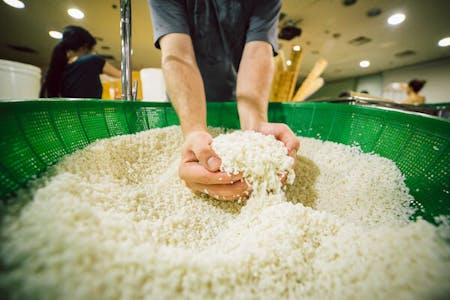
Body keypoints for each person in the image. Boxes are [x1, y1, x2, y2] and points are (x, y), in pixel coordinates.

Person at [148, 0, 300, 201]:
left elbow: (256, 54)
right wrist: (194, 130)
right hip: (185, 104)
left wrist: (255, 125)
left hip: (237, 102)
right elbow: (178, 55)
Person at [40, 25, 121, 98]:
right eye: (92, 49)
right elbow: (121, 75)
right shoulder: (92, 60)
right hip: (90, 113)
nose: (94, 52)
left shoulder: (55, 71)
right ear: (84, 47)